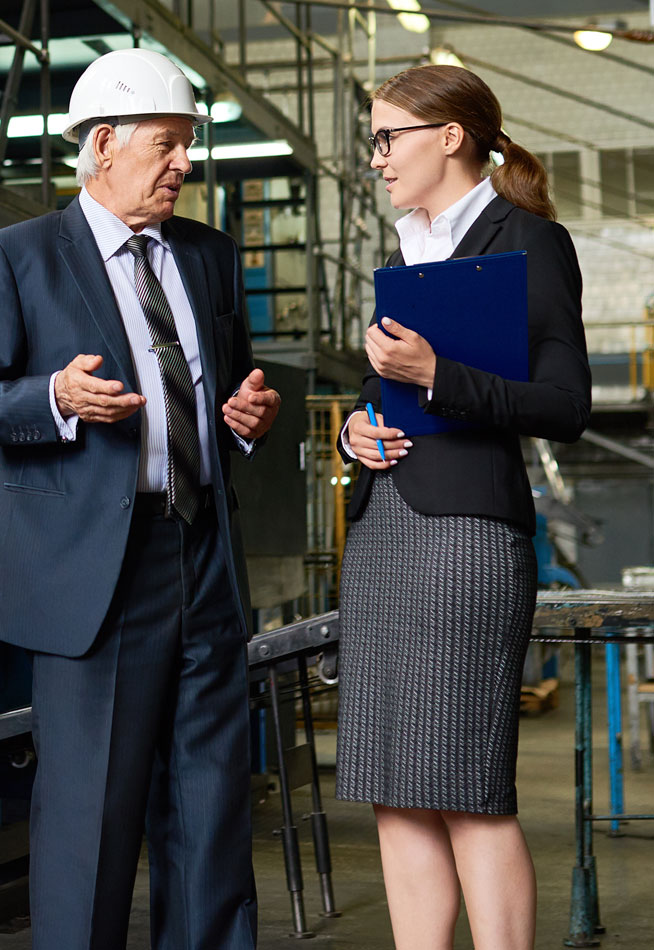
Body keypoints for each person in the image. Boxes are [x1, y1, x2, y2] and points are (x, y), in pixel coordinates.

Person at [0, 48, 279, 950]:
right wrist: (53, 396)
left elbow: (221, 389)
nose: (186, 165)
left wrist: (245, 417)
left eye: (188, 145)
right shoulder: (18, 257)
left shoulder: (208, 255)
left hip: (201, 551)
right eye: (168, 145)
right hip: (96, 570)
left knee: (210, 805)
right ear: (102, 146)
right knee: (91, 815)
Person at [335, 64, 590, 950]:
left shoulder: (528, 240)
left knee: (465, 787)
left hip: (467, 537)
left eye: (386, 138)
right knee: (393, 788)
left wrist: (440, 377)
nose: (376, 159)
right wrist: (353, 437)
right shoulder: (409, 246)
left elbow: (566, 404)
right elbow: (381, 396)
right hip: (383, 529)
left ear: (450, 136)